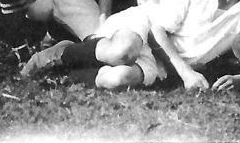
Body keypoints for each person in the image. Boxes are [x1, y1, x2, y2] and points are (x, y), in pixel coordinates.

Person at [18, 6, 163, 90]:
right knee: (121, 52)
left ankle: (65, 73)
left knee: (118, 78)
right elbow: (162, 28)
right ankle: (63, 54)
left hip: (158, 59)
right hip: (144, 29)